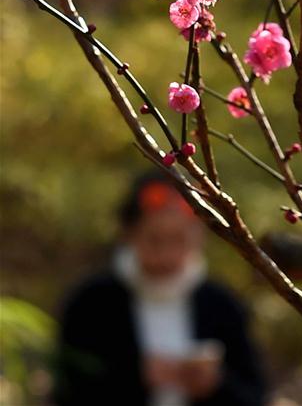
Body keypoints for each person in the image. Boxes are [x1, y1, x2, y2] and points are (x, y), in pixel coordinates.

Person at [53, 171, 267, 406]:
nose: (166, 255)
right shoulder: (91, 304)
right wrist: (135, 376)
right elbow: (66, 389)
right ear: (130, 234)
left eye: (179, 240)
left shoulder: (222, 306)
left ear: (199, 236)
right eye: (154, 240)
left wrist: (215, 384)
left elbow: (255, 395)